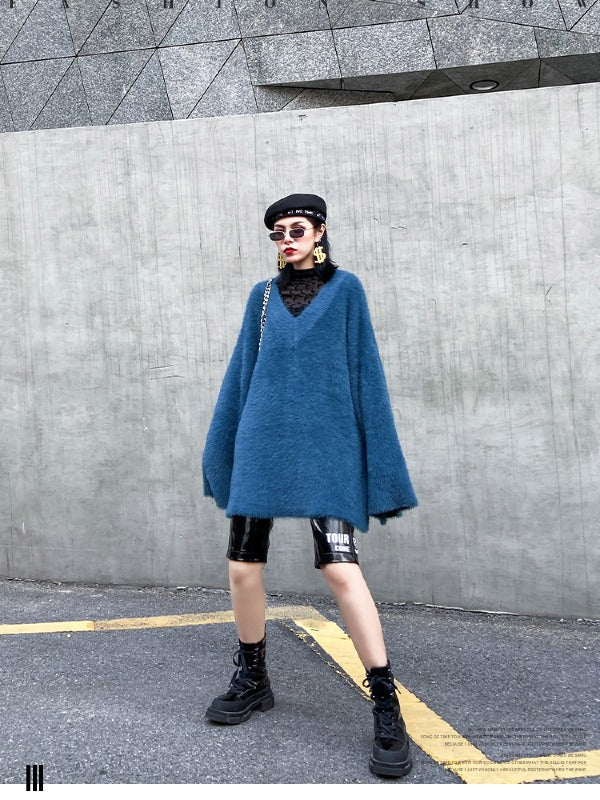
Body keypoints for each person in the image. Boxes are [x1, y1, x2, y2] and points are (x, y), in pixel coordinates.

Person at [202, 193, 418, 778]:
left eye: (296, 229)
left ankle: (386, 701)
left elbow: (366, 374)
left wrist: (380, 464)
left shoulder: (347, 291)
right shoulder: (262, 297)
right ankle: (253, 677)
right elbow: (242, 373)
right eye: (277, 233)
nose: (286, 240)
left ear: (319, 231)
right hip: (262, 441)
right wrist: (223, 446)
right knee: (242, 567)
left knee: (340, 570)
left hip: (329, 447)